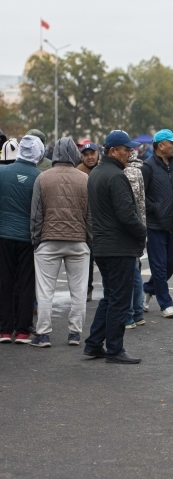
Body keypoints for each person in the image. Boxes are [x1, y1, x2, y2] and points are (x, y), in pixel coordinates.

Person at [84, 130, 146, 364]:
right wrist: (142, 233)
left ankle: (93, 344)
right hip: (119, 247)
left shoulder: (97, 173)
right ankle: (115, 349)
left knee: (110, 297)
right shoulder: (116, 177)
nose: (129, 153)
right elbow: (127, 216)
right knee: (120, 299)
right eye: (125, 149)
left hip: (103, 245)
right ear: (112, 151)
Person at [29, 138, 91, 348]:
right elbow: (90, 216)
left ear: (54, 153)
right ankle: (74, 333)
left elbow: (36, 214)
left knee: (45, 291)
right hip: (78, 241)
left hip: (49, 240)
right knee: (79, 290)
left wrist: (36, 240)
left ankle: (43, 334)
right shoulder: (84, 178)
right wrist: (89, 240)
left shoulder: (42, 178)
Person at [141, 129, 173, 319]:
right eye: (172, 143)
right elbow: (140, 196)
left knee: (170, 265)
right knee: (159, 266)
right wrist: (156, 208)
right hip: (155, 225)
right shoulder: (148, 167)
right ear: (161, 145)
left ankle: (147, 289)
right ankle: (166, 303)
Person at [0, 135, 43, 344]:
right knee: (26, 282)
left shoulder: (2, 173)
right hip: (28, 237)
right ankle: (23, 330)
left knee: (4, 281)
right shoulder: (39, 177)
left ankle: (5, 330)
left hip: (4, 234)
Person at [123, 145, 147, 330]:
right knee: (135, 271)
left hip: (130, 228)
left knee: (130, 272)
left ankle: (130, 315)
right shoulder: (138, 169)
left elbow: (129, 205)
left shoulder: (128, 172)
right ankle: (137, 313)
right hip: (139, 225)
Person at [78, 142, 100, 301]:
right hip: (84, 225)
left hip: (103, 222)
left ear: (98, 154)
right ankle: (86, 289)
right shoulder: (78, 172)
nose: (89, 157)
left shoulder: (103, 170)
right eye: (86, 154)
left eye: (92, 153)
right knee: (87, 260)